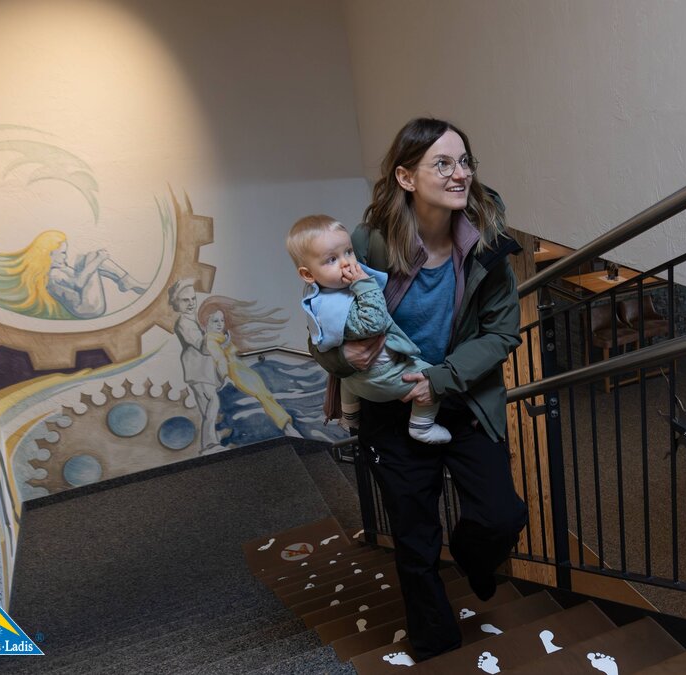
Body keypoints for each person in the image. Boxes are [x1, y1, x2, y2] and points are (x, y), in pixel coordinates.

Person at [329, 118, 528, 660]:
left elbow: (503, 331)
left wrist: (439, 379)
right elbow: (325, 319)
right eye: (443, 164)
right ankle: (436, 644)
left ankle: (472, 556)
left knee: (501, 515)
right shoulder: (368, 242)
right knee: (415, 541)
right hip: (393, 413)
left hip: (462, 401)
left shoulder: (487, 242)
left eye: (465, 162)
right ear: (406, 176)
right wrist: (339, 356)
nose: (459, 173)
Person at [286, 215, 451, 444]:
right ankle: (422, 426)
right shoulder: (334, 306)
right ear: (307, 274)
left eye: (348, 252)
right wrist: (365, 284)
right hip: (379, 377)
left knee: (344, 378)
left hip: (354, 379)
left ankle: (350, 414)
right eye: (331, 259)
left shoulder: (319, 295)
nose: (346, 263)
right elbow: (374, 323)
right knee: (430, 376)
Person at [199, 302, 303, 438]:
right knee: (263, 396)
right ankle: (287, 427)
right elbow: (220, 359)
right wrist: (226, 377)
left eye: (222, 320)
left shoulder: (221, 338)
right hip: (236, 374)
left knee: (265, 395)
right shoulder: (211, 340)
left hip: (244, 371)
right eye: (215, 321)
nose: (220, 324)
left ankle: (287, 425)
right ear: (205, 324)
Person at [6, 230, 146, 319]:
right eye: (62, 254)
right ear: (48, 256)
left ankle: (125, 281)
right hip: (89, 307)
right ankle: (126, 281)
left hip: (87, 301)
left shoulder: (59, 268)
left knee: (84, 258)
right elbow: (78, 283)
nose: (65, 258)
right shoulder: (54, 274)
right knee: (92, 257)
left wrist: (95, 261)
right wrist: (99, 259)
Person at [168, 278, 222, 453]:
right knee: (212, 402)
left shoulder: (194, 319)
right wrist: (217, 335)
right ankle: (209, 442)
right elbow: (203, 347)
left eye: (193, 299)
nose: (191, 303)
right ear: (176, 303)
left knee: (208, 405)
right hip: (197, 369)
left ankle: (210, 442)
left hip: (203, 369)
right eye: (185, 300)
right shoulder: (184, 323)